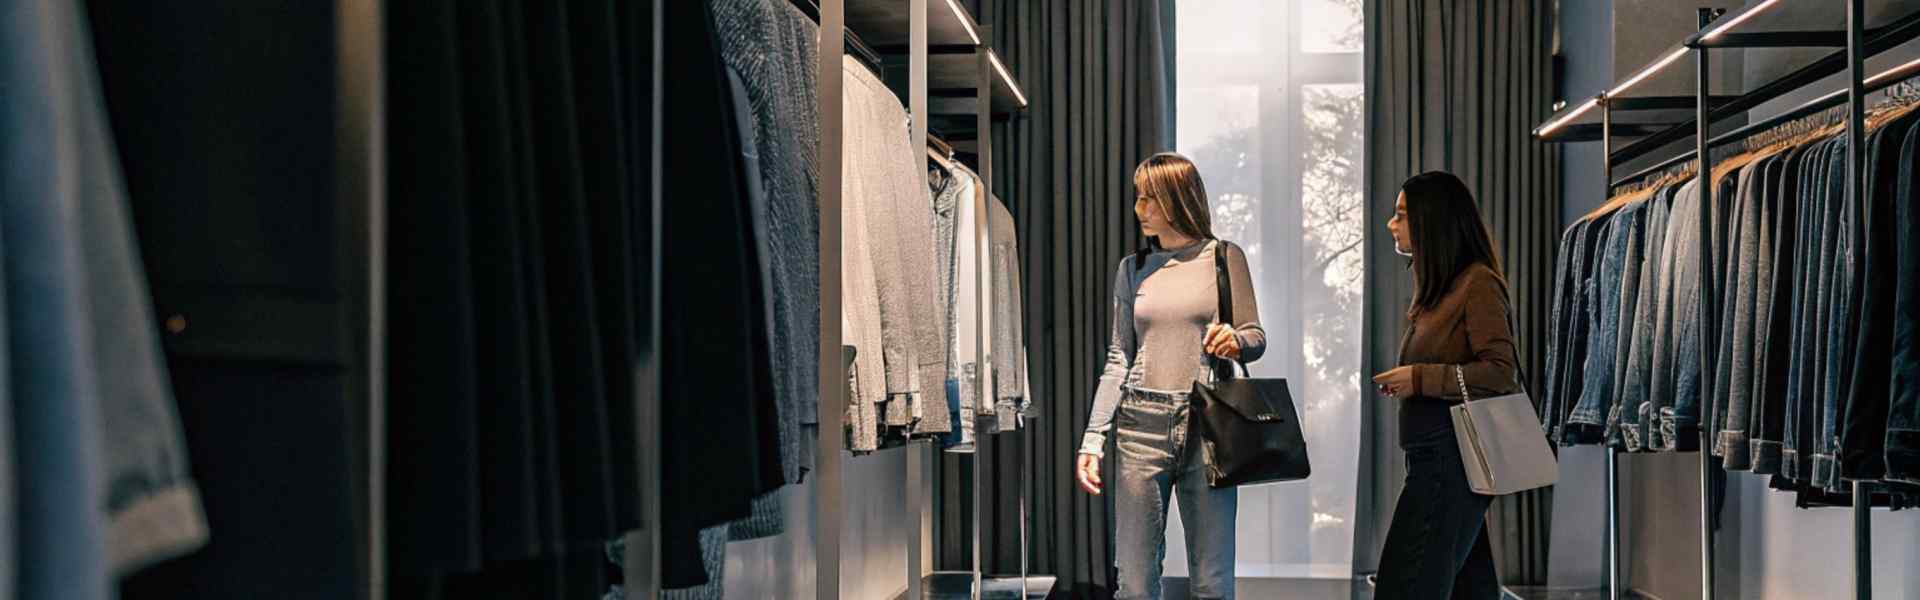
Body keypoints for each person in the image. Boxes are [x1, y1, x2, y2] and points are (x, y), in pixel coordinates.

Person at [1074, 153, 1266, 600]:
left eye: (1150, 199)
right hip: (1140, 426)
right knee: (1136, 584)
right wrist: (1092, 439)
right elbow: (1119, 357)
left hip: (1208, 424)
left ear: (1179, 200)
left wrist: (1235, 341)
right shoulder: (1133, 268)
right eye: (1138, 199)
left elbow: (1256, 336)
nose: (1140, 209)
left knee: (1212, 583)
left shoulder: (1223, 257)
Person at [1369, 171, 1521, 599]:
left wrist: (1418, 378)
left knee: (1406, 586)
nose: (1390, 223)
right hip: (1433, 460)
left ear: (1431, 221)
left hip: (1450, 463)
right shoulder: (1441, 292)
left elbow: (1500, 371)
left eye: (1401, 214)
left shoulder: (1477, 285)